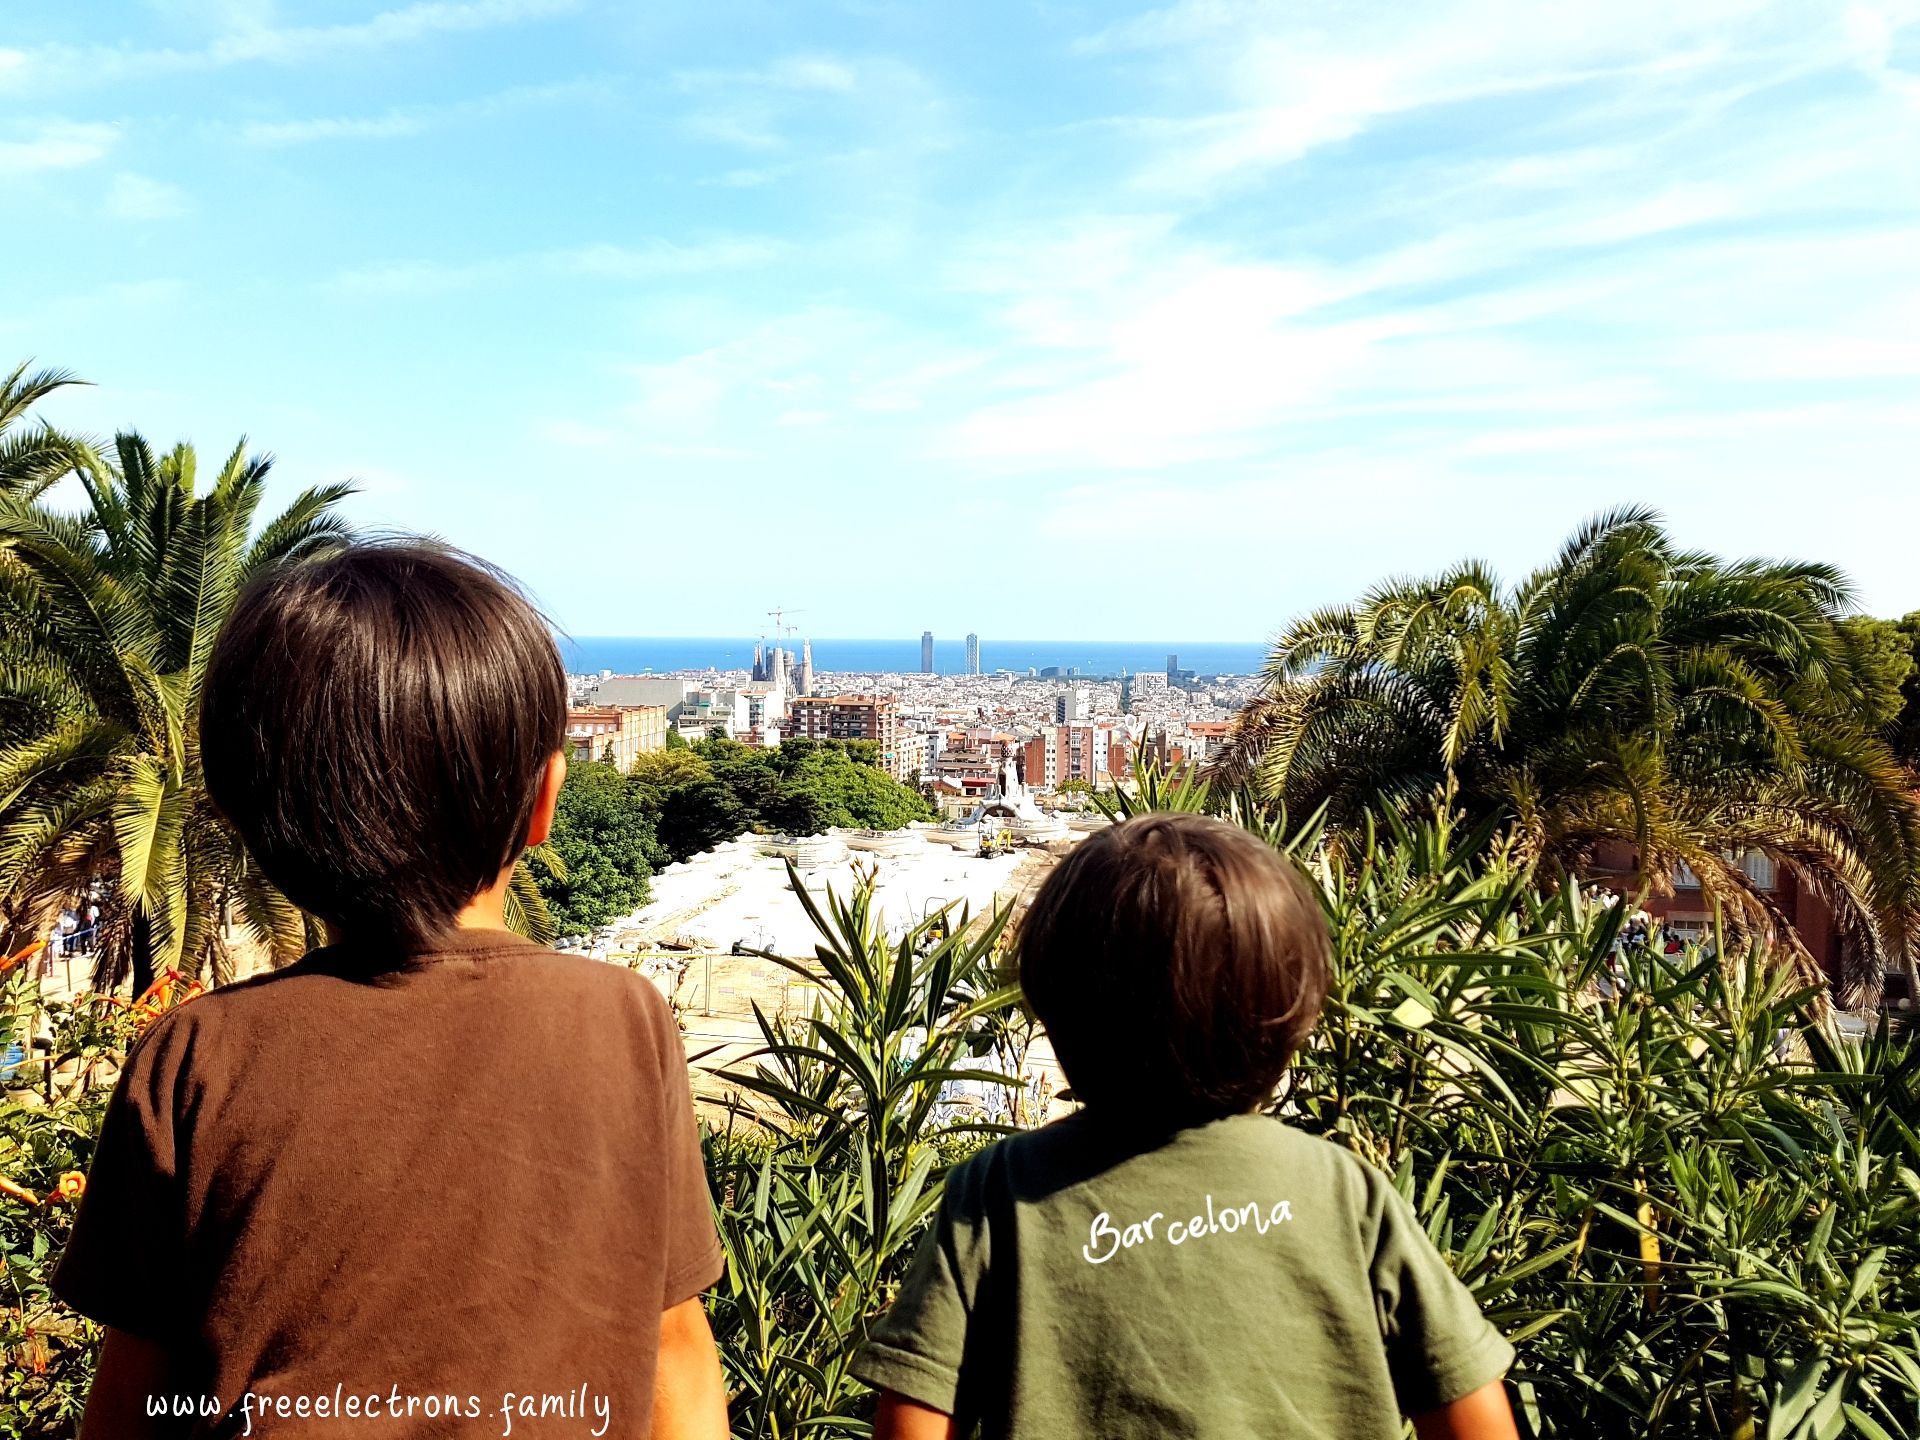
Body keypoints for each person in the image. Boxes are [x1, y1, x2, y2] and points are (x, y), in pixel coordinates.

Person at [54, 544, 730, 1439]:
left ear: (252, 816)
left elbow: (135, 1401)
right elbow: (676, 1360)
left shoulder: (193, 1056)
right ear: (545, 802)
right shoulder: (621, 1021)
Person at [854, 812, 1520, 1440]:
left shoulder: (998, 1192)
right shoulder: (1344, 1191)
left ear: (1057, 1004)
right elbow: (1476, 1420)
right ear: (1293, 1010)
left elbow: (913, 1423)